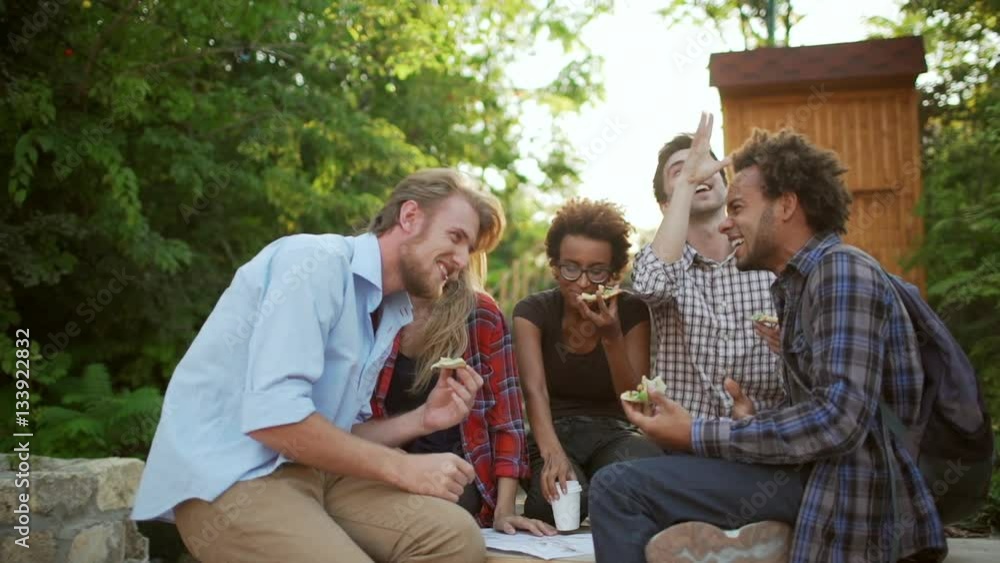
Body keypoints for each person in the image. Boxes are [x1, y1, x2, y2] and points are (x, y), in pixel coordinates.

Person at [588, 116, 946, 563]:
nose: (727, 224)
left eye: (737, 208)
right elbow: (831, 408)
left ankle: (732, 540)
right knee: (625, 484)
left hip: (845, 494)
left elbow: (837, 422)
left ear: (785, 206)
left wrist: (700, 431)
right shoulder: (799, 282)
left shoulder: (841, 273)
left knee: (616, 488)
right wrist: (748, 418)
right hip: (788, 468)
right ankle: (726, 541)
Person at [132, 169, 508, 563]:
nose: (463, 261)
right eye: (456, 238)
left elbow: (339, 436)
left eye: (470, 248)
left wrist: (423, 420)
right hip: (233, 479)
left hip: (314, 472)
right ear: (410, 216)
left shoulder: (391, 311)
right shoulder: (314, 263)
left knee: (456, 538)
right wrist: (402, 468)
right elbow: (275, 420)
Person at [370, 262, 557, 536]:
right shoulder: (373, 306)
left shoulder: (481, 313)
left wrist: (504, 510)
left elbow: (507, 421)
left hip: (452, 473)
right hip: (380, 465)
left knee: (438, 516)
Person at [513, 198, 664, 526]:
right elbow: (534, 391)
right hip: (552, 432)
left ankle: (602, 491)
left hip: (614, 433)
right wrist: (552, 453)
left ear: (614, 272)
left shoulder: (632, 311)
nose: (582, 282)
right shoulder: (532, 312)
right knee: (552, 505)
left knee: (645, 468)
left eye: (596, 270)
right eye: (571, 267)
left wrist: (611, 336)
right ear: (554, 266)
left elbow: (633, 399)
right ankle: (587, 489)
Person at [630, 114, 786, 421]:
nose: (697, 175)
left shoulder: (768, 260)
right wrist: (688, 183)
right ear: (665, 205)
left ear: (725, 184)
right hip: (684, 441)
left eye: (703, 166)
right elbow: (650, 287)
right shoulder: (658, 263)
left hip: (765, 435)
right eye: (681, 172)